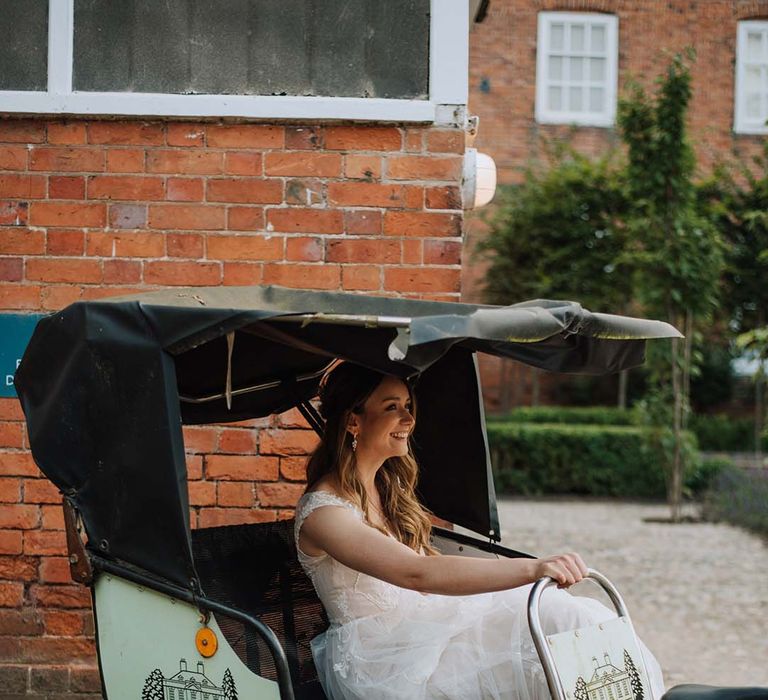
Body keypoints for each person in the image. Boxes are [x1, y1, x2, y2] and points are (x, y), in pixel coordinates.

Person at [295, 362, 664, 700]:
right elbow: (416, 573)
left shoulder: (387, 490)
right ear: (353, 421)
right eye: (392, 407)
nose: (408, 418)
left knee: (573, 616)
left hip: (430, 634)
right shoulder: (324, 513)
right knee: (550, 618)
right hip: (391, 666)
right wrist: (533, 569)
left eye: (408, 405)